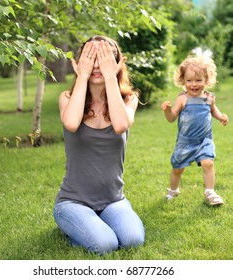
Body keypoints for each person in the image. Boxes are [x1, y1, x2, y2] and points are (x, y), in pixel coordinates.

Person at [53, 35, 145, 255]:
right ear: (79, 63)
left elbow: (121, 124)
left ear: (117, 63)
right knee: (106, 245)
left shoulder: (128, 99)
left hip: (113, 200)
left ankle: (90, 226)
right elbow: (72, 123)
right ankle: (77, 225)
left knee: (133, 241)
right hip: (73, 202)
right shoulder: (67, 97)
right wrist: (82, 77)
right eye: (90, 59)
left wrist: (110, 76)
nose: (96, 66)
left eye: (102, 59)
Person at [161, 55, 229, 205]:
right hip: (185, 142)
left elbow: (213, 111)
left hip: (204, 140)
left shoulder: (209, 98)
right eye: (189, 80)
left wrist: (221, 116)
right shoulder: (183, 99)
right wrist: (168, 110)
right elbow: (172, 118)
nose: (193, 84)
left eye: (198, 80)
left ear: (206, 80)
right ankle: (173, 190)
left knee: (208, 163)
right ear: (183, 80)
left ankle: (210, 192)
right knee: (177, 168)